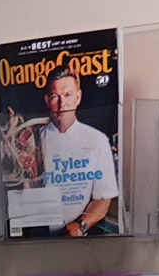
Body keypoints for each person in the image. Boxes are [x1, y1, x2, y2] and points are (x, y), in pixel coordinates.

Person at [14, 71, 121, 234]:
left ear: (78, 97)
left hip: (77, 240)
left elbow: (104, 198)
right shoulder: (33, 140)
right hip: (36, 237)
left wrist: (80, 226)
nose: (62, 104)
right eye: (55, 96)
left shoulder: (96, 140)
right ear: (47, 101)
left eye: (68, 95)